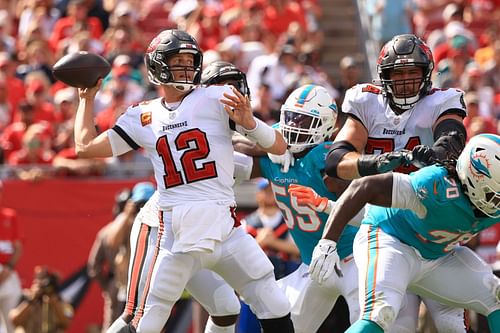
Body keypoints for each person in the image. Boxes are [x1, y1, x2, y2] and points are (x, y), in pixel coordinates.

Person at [74, 29, 293, 333]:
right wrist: (86, 100)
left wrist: (251, 124)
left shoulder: (214, 96)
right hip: (175, 229)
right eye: (178, 61)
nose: (187, 68)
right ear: (158, 65)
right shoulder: (142, 116)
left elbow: (278, 147)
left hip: (224, 224)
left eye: (190, 61)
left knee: (272, 302)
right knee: (144, 318)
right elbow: (85, 148)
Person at [273, 34, 471, 331]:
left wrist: (435, 154)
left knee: (452, 323)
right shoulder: (365, 100)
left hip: (431, 224)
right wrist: (374, 164)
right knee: (395, 324)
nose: (405, 81)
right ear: (384, 76)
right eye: (398, 73)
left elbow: (452, 137)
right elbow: (336, 160)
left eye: (412, 72)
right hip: (387, 229)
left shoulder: (442, 101)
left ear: (426, 74)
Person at [235, 83, 426, 333]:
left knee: (373, 322)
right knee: (282, 324)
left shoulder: (324, 156)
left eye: (304, 122)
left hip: (353, 258)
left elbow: (352, 183)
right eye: (291, 118)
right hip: (311, 264)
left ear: (325, 127)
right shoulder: (274, 149)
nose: (294, 127)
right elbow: (239, 151)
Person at [107, 60, 255, 333]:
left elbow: (258, 154)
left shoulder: (225, 138)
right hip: (159, 229)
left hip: (192, 236)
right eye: (223, 90)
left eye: (234, 89)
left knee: (225, 307)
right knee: (137, 315)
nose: (231, 96)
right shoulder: (192, 127)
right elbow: (252, 153)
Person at [302, 133, 500, 332]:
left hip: (437, 257)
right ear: (474, 176)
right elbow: (365, 186)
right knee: (380, 314)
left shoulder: (488, 202)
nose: (497, 202)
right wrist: (328, 241)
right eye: (494, 194)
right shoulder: (434, 184)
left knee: (496, 295)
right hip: (391, 241)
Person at [88, 182, 155, 332]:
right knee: (117, 324)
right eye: (140, 204)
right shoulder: (126, 224)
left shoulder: (160, 221)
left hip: (151, 286)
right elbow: (112, 241)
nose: (143, 209)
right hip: (123, 286)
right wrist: (127, 215)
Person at [9, 266, 73, 333]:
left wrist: (54, 302)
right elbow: (14, 321)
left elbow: (66, 324)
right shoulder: (26, 296)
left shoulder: (61, 301)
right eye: (41, 280)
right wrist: (31, 300)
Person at [0, 180, 22, 333]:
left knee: (13, 323)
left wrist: (8, 268)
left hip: (8, 275)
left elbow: (18, 247)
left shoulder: (10, 216)